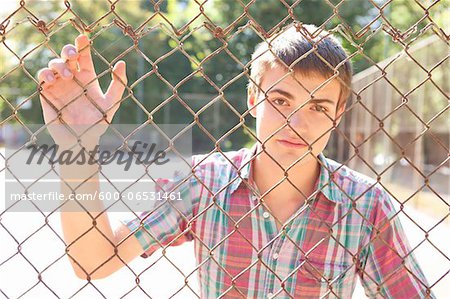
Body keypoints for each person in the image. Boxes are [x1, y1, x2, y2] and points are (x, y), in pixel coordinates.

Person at [37, 23, 433, 298]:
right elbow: (93, 260)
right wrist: (78, 145)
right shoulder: (204, 180)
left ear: (339, 112)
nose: (297, 122)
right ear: (251, 100)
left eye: (318, 106)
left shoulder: (366, 205)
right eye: (280, 101)